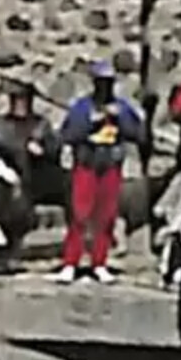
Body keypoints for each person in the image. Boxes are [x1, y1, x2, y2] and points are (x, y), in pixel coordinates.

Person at [54, 60, 144, 284]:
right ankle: (70, 262)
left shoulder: (122, 107)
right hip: (87, 165)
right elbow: (67, 135)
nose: (105, 87)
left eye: (109, 83)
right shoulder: (82, 107)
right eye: (101, 82)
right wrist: (90, 123)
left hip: (111, 166)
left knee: (106, 216)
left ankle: (99, 263)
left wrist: (120, 119)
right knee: (79, 215)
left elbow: (138, 133)